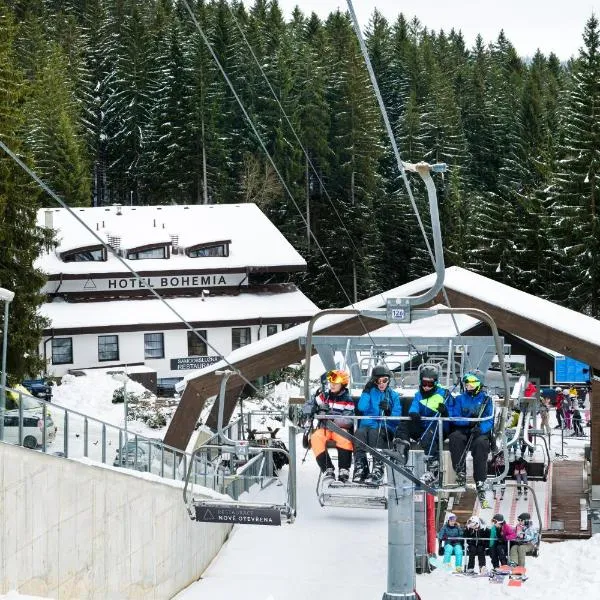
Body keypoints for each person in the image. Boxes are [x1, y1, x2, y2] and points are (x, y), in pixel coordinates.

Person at [447, 371, 494, 505]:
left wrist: (481, 428)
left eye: (473, 383)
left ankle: (480, 479)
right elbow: (455, 416)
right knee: (455, 438)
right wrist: (468, 422)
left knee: (481, 445)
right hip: (464, 430)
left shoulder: (486, 400)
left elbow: (490, 419)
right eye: (467, 384)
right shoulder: (460, 399)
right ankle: (460, 471)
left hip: (478, 432)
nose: (470, 386)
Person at [353, 365, 405, 484]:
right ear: (374, 381)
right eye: (378, 381)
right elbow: (361, 407)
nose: (381, 384)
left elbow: (396, 420)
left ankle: (378, 467)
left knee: (374, 433)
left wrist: (388, 412)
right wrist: (366, 391)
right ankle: (361, 466)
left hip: (384, 427)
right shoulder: (370, 392)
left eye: (384, 380)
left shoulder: (393, 396)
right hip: (367, 425)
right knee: (359, 433)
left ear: (388, 381)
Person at [302, 369, 355, 483]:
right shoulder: (324, 397)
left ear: (343, 384)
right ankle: (327, 468)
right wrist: (314, 409)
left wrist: (332, 417)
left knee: (345, 438)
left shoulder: (347, 400)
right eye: (331, 383)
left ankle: (344, 469)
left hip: (339, 429)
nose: (332, 385)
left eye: (336, 383)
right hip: (325, 428)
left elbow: (348, 420)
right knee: (316, 438)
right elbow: (307, 405)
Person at [407, 366, 450, 484]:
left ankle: (433, 469)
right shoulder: (418, 395)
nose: (426, 387)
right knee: (404, 425)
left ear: (435, 383)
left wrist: (445, 411)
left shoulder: (443, 394)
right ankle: (401, 451)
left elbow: (452, 411)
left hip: (439, 427)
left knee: (428, 436)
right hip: (424, 426)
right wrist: (414, 413)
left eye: (430, 384)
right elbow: (414, 406)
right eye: (424, 383)